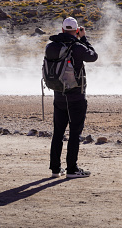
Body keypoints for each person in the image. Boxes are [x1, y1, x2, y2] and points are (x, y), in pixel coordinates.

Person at [48, 17, 98, 178]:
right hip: (76, 96)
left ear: (62, 30)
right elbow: (93, 56)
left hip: (58, 95)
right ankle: (72, 169)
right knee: (74, 133)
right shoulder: (77, 46)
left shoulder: (51, 46)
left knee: (58, 132)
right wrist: (83, 38)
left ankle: (55, 169)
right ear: (76, 31)